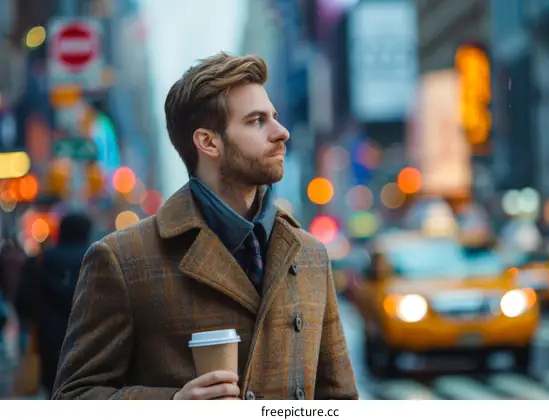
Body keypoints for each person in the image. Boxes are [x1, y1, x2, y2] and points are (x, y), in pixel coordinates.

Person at [52, 52, 358, 400]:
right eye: (257, 121)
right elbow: (73, 397)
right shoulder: (121, 259)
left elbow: (340, 399)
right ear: (208, 142)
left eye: (274, 117)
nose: (281, 132)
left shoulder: (311, 255)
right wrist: (173, 405)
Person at [16, 213, 93, 395]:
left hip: (49, 336)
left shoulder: (41, 259)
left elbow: (23, 297)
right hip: (87, 335)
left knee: (53, 388)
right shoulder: (96, 257)